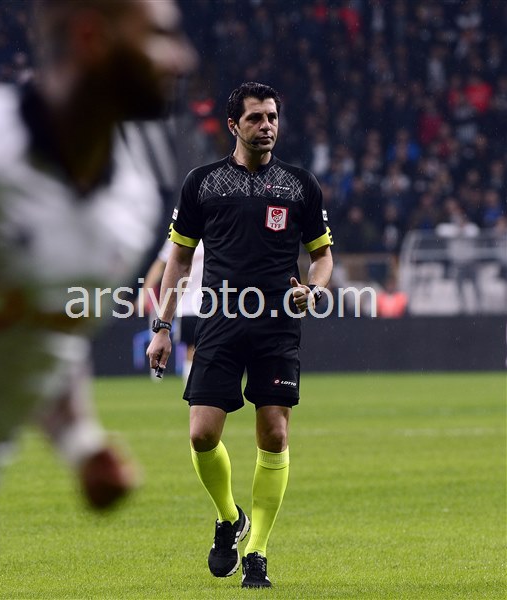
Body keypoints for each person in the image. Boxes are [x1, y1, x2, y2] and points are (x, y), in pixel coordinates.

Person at [0, 1, 195, 598]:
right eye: (159, 35)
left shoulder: (129, 205)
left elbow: (50, 339)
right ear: (92, 37)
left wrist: (82, 445)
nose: (182, 58)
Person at [147, 82, 333, 588]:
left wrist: (314, 291)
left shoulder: (299, 185)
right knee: (201, 434)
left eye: (272, 117)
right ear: (233, 125)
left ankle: (258, 552)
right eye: (255, 118)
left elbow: (322, 257)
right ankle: (230, 517)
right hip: (220, 322)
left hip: (277, 326)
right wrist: (162, 326)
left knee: (274, 433)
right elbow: (179, 261)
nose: (266, 126)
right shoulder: (202, 183)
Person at [138, 237, 204, 381]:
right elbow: (160, 264)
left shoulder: (218, 232)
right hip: (188, 306)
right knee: (192, 351)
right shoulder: (182, 234)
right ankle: (192, 390)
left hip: (217, 304)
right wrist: (144, 293)